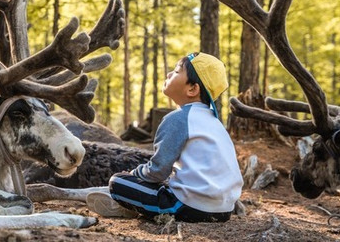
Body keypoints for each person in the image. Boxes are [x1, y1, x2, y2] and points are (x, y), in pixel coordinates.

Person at [86, 52, 243, 222]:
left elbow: (158, 170)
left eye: (176, 71)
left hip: (189, 206)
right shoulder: (215, 123)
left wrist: (133, 173)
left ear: (192, 89)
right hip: (224, 210)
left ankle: (128, 207)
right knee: (157, 185)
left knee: (117, 182)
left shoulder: (178, 118)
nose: (169, 74)